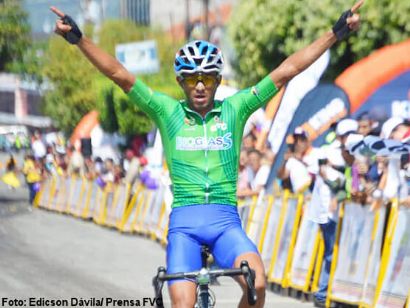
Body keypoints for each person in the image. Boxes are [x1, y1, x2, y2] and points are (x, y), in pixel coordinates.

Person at [50, 2, 362, 306]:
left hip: (226, 224)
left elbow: (287, 71)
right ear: (180, 82)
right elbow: (119, 73)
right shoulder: (166, 111)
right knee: (183, 304)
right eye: (191, 79)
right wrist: (79, 40)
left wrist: (333, 34)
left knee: (259, 284)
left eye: (208, 78)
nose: (200, 86)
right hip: (185, 226)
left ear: (219, 80)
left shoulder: (236, 109)